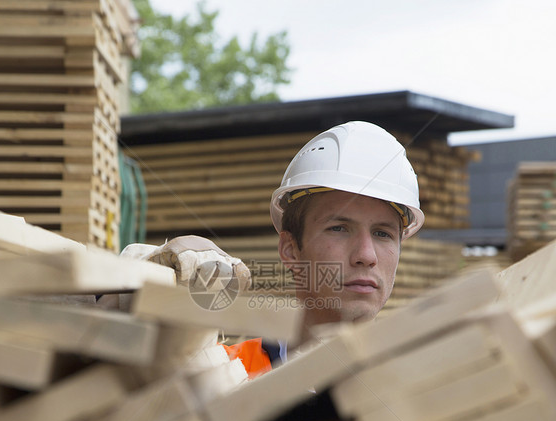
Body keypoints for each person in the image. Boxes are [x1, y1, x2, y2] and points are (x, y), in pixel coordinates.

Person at [121, 121, 424, 377]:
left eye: (383, 234)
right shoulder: (226, 375)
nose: (366, 255)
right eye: (339, 228)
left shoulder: (427, 387)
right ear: (291, 250)